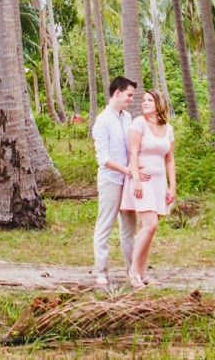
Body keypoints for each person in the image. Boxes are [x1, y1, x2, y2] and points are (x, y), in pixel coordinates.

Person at [121, 88, 176, 288]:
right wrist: (135, 179)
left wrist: (172, 186)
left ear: (158, 104)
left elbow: (170, 159)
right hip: (142, 179)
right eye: (143, 100)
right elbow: (133, 152)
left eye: (149, 100)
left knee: (151, 229)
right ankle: (133, 271)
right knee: (149, 224)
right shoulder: (139, 123)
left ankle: (143, 273)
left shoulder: (167, 128)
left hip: (159, 182)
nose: (144, 103)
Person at [92, 75, 140, 287]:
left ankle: (132, 270)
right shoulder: (102, 121)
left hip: (128, 180)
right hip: (111, 179)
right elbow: (103, 159)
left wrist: (134, 172)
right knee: (105, 225)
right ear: (117, 93)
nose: (131, 99)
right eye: (129, 95)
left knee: (129, 227)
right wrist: (126, 170)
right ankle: (101, 271)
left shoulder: (128, 118)